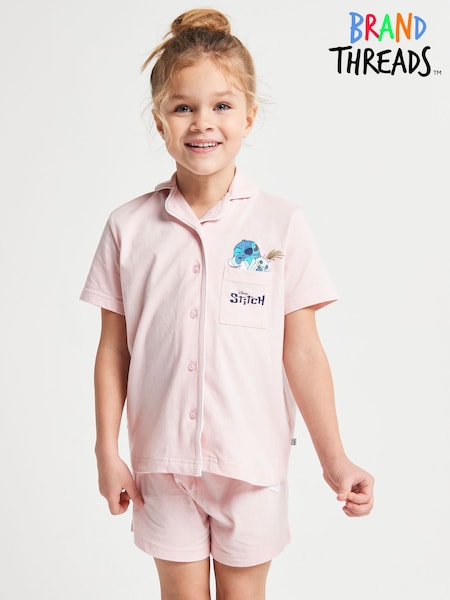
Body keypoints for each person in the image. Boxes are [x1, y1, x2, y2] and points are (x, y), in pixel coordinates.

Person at [81, 8, 374, 599]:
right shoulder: (127, 227)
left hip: (251, 463)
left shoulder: (281, 224)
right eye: (182, 107)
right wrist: (105, 452)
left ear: (249, 115)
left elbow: (303, 351)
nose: (202, 123)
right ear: (159, 120)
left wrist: (334, 458)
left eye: (221, 105)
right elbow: (113, 351)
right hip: (162, 463)